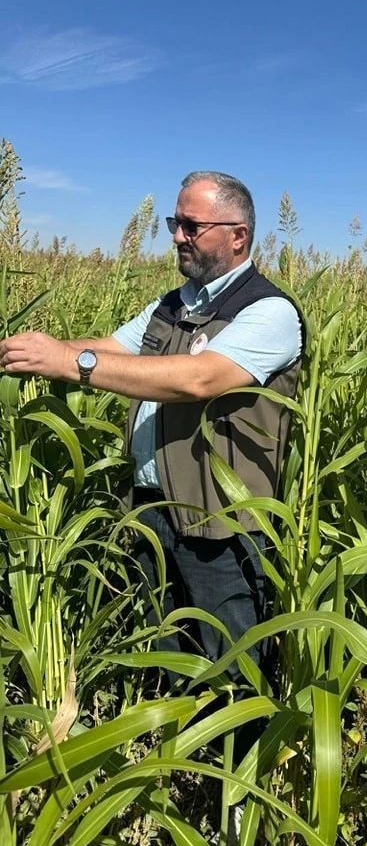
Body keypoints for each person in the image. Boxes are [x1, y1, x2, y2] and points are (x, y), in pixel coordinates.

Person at [0, 170, 304, 685]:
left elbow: (199, 379)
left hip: (220, 520)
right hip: (151, 505)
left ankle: (238, 757)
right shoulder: (173, 304)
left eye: (192, 225)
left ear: (238, 236)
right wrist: (35, 353)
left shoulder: (268, 311)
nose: (178, 236)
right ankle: (168, 753)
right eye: (175, 222)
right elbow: (108, 348)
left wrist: (72, 365)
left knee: (231, 658)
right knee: (162, 647)